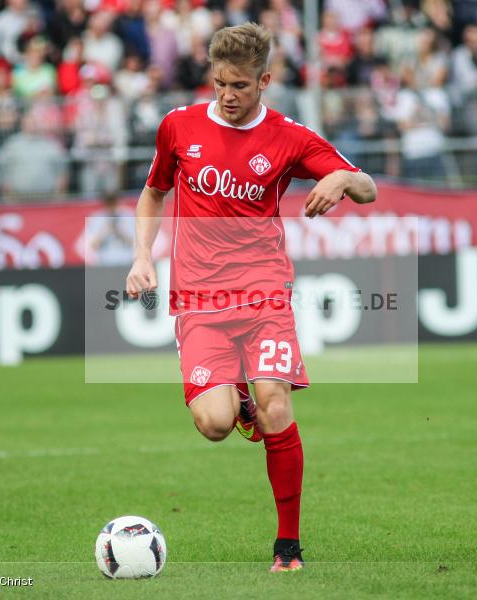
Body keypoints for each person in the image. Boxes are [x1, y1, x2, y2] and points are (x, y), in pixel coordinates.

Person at [125, 22, 377, 573]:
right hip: (198, 300)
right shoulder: (178, 126)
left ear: (265, 81)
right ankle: (235, 399)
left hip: (265, 292)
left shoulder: (290, 136)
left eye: (240, 85)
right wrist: (142, 256)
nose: (228, 96)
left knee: (277, 409)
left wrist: (339, 181)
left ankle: (288, 544)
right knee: (215, 424)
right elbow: (153, 193)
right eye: (220, 84)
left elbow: (367, 187)